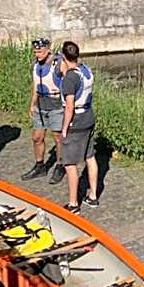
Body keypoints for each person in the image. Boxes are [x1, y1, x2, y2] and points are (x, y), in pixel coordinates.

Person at [59, 40, 97, 212]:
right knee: (90, 156)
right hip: (89, 116)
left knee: (70, 163)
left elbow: (69, 106)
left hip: (77, 121)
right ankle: (93, 196)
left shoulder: (70, 78)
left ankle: (73, 204)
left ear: (63, 56)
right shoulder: (85, 70)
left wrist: (65, 128)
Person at [22, 37, 65, 184]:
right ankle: (40, 166)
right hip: (40, 105)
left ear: (48, 50)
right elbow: (35, 85)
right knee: (37, 137)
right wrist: (32, 104)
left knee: (57, 137)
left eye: (40, 51)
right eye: (35, 52)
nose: (37, 54)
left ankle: (60, 165)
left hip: (56, 104)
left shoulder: (58, 63)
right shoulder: (35, 64)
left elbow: (70, 81)